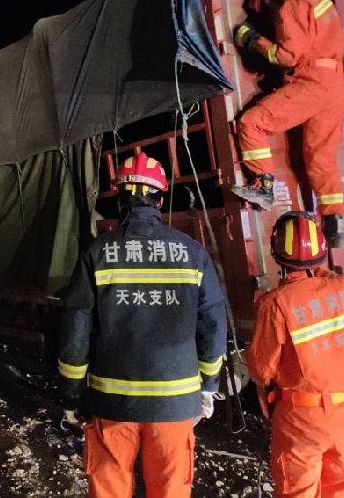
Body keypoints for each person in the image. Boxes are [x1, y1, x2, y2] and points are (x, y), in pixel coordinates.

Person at [56, 151, 227, 498]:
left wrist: (72, 395)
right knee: (170, 490)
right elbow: (212, 323)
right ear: (160, 199)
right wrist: (208, 387)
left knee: (109, 489)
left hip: (111, 403)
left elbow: (76, 330)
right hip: (175, 404)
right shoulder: (192, 253)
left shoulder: (97, 252)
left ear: (120, 199)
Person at [229, 0, 344, 248]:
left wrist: (252, 40)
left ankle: (263, 186)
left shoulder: (288, 8)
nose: (267, 10)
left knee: (252, 123)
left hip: (311, 83)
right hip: (336, 85)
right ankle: (334, 220)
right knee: (320, 156)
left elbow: (287, 56)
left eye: (264, 4)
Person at [245, 211, 344, 498]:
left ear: (277, 254)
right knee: (343, 491)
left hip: (301, 417)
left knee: (297, 492)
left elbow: (262, 369)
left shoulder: (275, 303)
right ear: (322, 252)